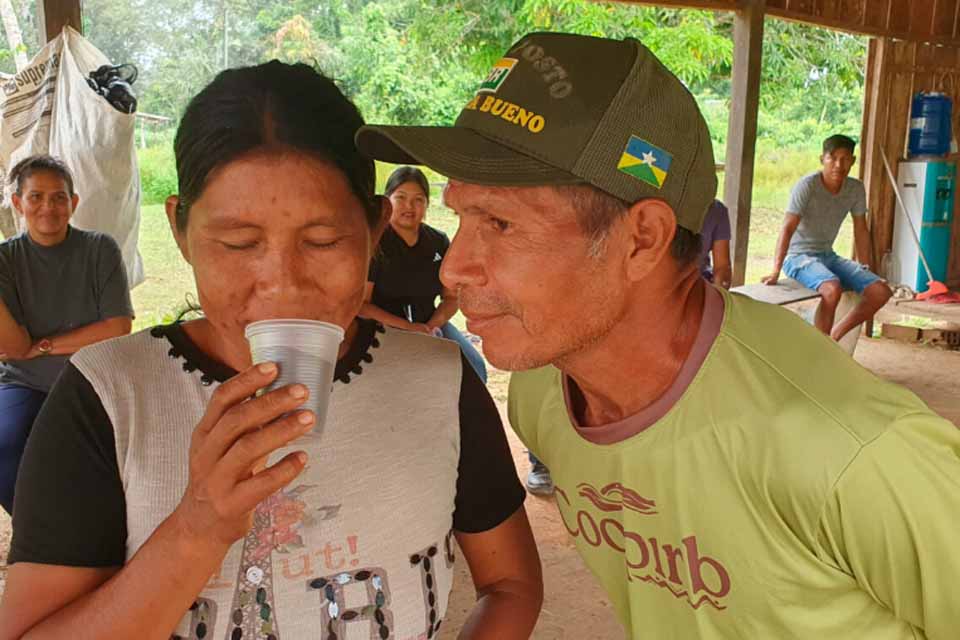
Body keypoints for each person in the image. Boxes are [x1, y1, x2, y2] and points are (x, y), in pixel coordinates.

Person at [357, 31, 960, 639]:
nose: (453, 268)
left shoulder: (857, 455)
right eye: (460, 216)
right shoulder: (544, 395)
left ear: (642, 237)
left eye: (501, 223)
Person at [0, 62, 542, 640]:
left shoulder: (442, 382)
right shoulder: (109, 397)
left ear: (375, 228)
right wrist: (197, 529)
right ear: (181, 230)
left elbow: (511, 586)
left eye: (323, 240)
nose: (282, 286)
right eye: (238, 243)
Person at [0, 154, 133, 515]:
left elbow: (117, 327)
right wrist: (32, 349)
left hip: (91, 376)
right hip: (24, 382)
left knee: (101, 454)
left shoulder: (99, 249)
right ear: (17, 203)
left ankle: (103, 529)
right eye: (35, 197)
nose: (48, 207)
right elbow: (12, 349)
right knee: (5, 439)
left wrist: (44, 345)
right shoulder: (6, 260)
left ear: (73, 203)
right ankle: (36, 530)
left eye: (59, 197)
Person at [362, 165, 487, 381]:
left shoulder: (438, 242)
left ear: (427, 204)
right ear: (387, 201)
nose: (409, 206)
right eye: (401, 197)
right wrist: (409, 328)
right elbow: (362, 306)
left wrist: (431, 326)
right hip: (382, 329)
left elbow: (450, 298)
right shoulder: (375, 243)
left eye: (418, 199)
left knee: (474, 368)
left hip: (429, 325)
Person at [761, 134, 892, 340]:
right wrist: (776, 270)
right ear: (822, 159)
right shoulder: (807, 185)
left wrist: (864, 266)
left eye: (845, 158)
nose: (839, 165)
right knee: (832, 289)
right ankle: (820, 345)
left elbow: (861, 229)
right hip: (798, 256)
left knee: (880, 291)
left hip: (828, 256)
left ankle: (834, 336)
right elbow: (787, 228)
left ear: (853, 161)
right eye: (833, 158)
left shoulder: (855, 188)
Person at [699, 200, 731, 289]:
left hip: (699, 283)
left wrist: (718, 294)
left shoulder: (717, 210)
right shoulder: (659, 207)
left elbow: (722, 268)